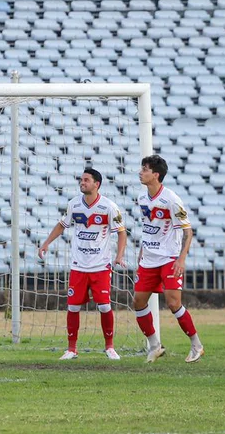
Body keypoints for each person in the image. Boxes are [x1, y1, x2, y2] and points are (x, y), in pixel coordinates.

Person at [38, 168, 128, 360]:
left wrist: (119, 256)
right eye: (81, 180)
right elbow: (62, 226)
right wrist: (46, 243)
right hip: (78, 265)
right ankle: (71, 349)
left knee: (104, 306)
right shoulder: (74, 205)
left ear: (97, 184)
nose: (82, 183)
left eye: (86, 180)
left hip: (101, 266)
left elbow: (121, 232)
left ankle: (110, 347)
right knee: (73, 307)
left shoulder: (109, 207)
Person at [131, 155, 203, 363]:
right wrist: (142, 250)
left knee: (173, 303)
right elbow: (149, 227)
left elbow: (188, 232)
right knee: (138, 301)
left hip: (169, 259)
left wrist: (181, 259)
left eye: (145, 169)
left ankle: (196, 345)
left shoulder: (171, 199)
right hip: (149, 259)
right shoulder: (142, 198)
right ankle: (154, 345)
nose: (140, 172)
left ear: (156, 175)